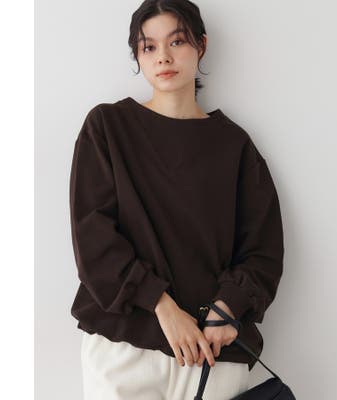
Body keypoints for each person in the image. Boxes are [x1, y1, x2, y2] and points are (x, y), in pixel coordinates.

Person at [69, 1, 285, 399]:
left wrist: (226, 308)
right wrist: (162, 307)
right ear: (137, 55)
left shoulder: (234, 146)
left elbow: (263, 249)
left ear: (201, 45)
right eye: (148, 46)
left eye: (177, 41)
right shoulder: (108, 128)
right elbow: (93, 238)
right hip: (124, 348)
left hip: (211, 352)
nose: (163, 57)